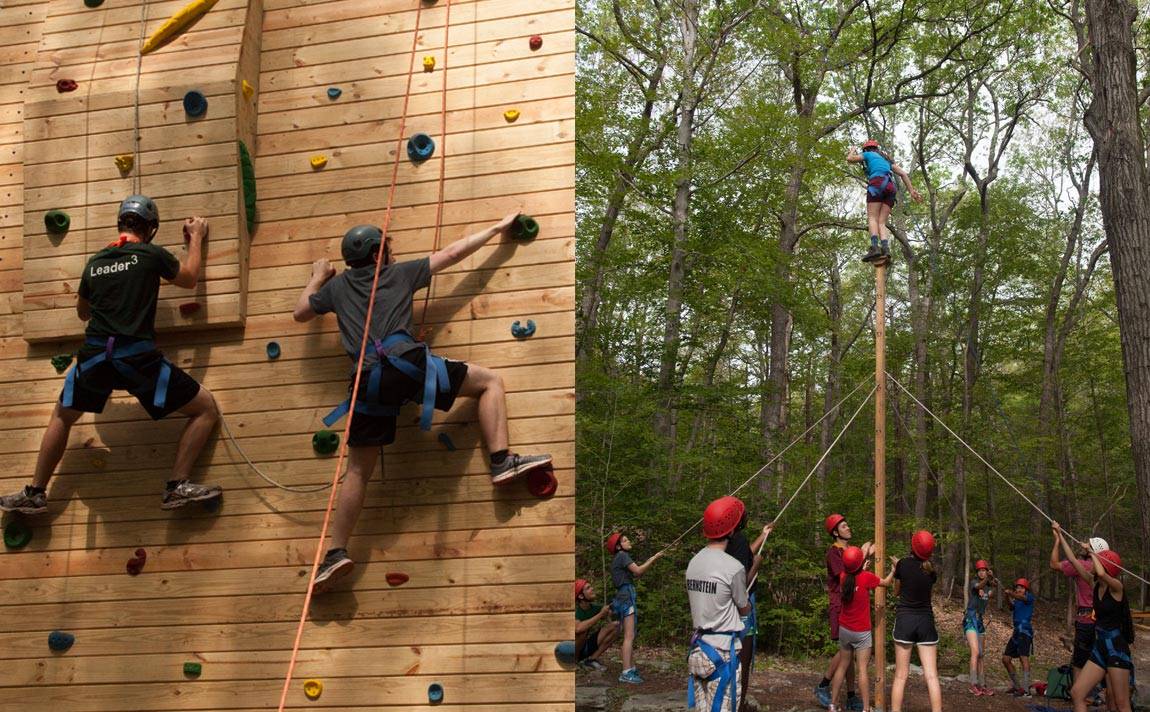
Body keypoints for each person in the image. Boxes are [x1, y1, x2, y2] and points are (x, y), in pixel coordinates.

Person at [293, 216, 552, 592]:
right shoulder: (400, 273)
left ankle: (336, 552)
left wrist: (318, 276)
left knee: (357, 473)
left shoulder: (337, 289)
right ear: (379, 253)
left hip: (367, 383)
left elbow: (300, 312)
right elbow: (453, 253)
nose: (392, 253)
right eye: (388, 248)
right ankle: (500, 461)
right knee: (490, 382)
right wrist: (497, 229)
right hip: (408, 365)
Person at [0, 196, 222, 516]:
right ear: (151, 229)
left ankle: (35, 492)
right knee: (205, 409)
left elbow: (82, 313)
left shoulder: (96, 261)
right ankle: (177, 485)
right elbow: (188, 279)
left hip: (94, 361)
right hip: (138, 362)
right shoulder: (150, 254)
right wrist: (197, 237)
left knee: (62, 416)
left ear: (120, 224)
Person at [1054, 523, 1135, 712]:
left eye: (1095, 560)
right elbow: (1074, 561)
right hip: (1100, 646)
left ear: (1105, 566)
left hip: (1116, 649)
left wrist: (1091, 551)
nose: (1089, 564)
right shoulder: (1094, 583)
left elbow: (1099, 571)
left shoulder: (1117, 587)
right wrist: (1059, 534)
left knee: (1121, 704)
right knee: (1077, 693)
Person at [686, 496, 752, 712]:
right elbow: (744, 607)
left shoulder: (694, 562)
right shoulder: (733, 567)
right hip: (723, 651)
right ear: (731, 531)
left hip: (698, 649)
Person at [829, 544, 895, 712]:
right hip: (862, 632)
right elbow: (886, 582)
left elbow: (853, 570)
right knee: (862, 670)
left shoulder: (844, 576)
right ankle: (866, 708)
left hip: (844, 629)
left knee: (843, 666)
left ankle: (832, 704)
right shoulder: (866, 577)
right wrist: (894, 570)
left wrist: (862, 561)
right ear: (861, 565)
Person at [816, 513, 870, 711]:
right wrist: (863, 555)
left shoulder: (848, 550)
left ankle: (850, 695)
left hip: (851, 604)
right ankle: (823, 684)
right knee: (846, 649)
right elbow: (844, 577)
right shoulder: (834, 553)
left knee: (850, 650)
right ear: (836, 532)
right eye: (844, 526)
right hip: (840, 604)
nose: (848, 528)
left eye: (847, 525)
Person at [724, 511, 774, 711]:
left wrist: (763, 536)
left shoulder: (727, 541)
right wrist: (757, 564)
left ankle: (734, 701)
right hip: (742, 603)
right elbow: (742, 581)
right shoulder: (738, 539)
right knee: (743, 656)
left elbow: (745, 555)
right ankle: (738, 703)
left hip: (728, 603)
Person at [890, 530, 942, 712]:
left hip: (905, 621)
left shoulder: (902, 565)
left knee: (901, 675)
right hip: (925, 621)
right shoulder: (931, 570)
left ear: (913, 546)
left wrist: (896, 568)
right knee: (932, 676)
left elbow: (896, 592)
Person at [846, 140, 923, 263]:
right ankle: (886, 249)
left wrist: (852, 151)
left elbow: (850, 159)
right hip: (890, 187)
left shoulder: (867, 155)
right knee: (881, 222)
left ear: (866, 149)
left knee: (872, 218)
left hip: (877, 183)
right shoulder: (886, 160)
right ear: (877, 149)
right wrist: (912, 191)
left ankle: (875, 247)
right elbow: (903, 173)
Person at [605, 530, 665, 684]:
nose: (629, 541)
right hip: (626, 596)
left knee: (628, 635)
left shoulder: (619, 557)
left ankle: (630, 668)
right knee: (629, 636)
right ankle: (626, 672)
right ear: (619, 546)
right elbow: (638, 571)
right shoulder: (623, 556)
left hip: (622, 595)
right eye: (625, 540)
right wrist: (654, 558)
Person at [1051, 532, 1110, 686]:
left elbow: (1054, 564)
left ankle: (1079, 694)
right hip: (1103, 621)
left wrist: (1057, 540)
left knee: (1079, 660)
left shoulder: (1082, 566)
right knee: (1099, 657)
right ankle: (1097, 692)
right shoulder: (1108, 571)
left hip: (1086, 620)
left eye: (1088, 546)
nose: (1085, 546)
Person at [964, 559, 998, 696]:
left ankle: (982, 685)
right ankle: (973, 683)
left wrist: (993, 581)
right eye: (980, 571)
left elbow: (991, 593)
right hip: (970, 619)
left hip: (980, 621)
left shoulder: (987, 586)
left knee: (981, 655)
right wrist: (988, 579)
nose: (982, 572)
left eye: (984, 570)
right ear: (977, 572)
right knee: (975, 652)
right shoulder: (974, 583)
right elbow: (978, 587)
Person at [1002, 576, 1036, 696]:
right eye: (1017, 587)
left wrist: (1011, 593)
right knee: (1006, 659)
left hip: (1025, 631)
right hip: (1016, 632)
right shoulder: (1016, 600)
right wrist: (1007, 596)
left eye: (1021, 587)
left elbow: (1021, 597)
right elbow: (1011, 606)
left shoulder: (1029, 598)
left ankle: (1026, 689)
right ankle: (1017, 686)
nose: (1019, 589)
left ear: (1026, 589)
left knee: (1023, 657)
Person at [575, 578, 618, 671]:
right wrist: (600, 614)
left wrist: (610, 611)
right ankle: (573, 662)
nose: (592, 589)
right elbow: (578, 629)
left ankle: (591, 660)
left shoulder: (594, 608)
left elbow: (609, 615)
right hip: (570, 651)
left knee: (615, 626)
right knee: (582, 631)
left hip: (584, 647)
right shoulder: (575, 610)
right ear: (581, 596)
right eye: (588, 588)